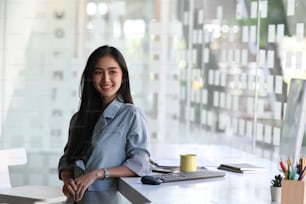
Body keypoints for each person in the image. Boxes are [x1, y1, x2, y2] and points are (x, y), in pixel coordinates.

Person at [58, 45, 152, 202]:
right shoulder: (78, 119)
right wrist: (67, 179)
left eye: (112, 72)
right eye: (98, 72)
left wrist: (97, 173)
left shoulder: (131, 115)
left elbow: (140, 163)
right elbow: (67, 160)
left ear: (123, 76)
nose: (106, 79)